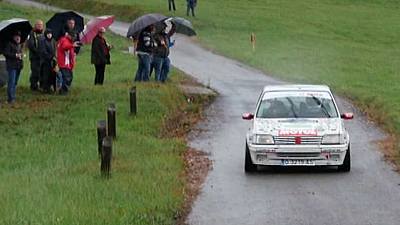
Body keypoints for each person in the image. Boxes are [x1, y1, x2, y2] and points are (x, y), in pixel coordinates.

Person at [3, 32, 23, 104]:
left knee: (15, 83)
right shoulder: (9, 44)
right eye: (16, 36)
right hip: (11, 66)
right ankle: (10, 99)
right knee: (11, 82)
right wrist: (15, 55)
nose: (18, 38)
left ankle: (13, 97)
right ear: (13, 37)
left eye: (19, 37)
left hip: (18, 66)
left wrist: (21, 55)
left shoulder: (19, 45)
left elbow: (20, 54)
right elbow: (6, 53)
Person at [27, 20, 44, 91]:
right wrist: (38, 52)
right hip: (34, 57)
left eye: (41, 25)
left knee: (42, 71)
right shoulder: (31, 33)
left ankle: (41, 85)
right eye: (38, 25)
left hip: (42, 57)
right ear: (35, 25)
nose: (40, 26)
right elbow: (31, 45)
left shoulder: (43, 34)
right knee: (35, 71)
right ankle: (33, 86)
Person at [39, 29, 57, 93]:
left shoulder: (53, 41)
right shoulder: (43, 41)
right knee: (45, 75)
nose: (49, 35)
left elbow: (55, 50)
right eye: (48, 34)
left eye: (50, 34)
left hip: (53, 61)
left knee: (52, 74)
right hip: (45, 61)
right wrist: (50, 57)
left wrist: (54, 57)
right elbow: (43, 52)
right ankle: (45, 88)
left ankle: (51, 87)